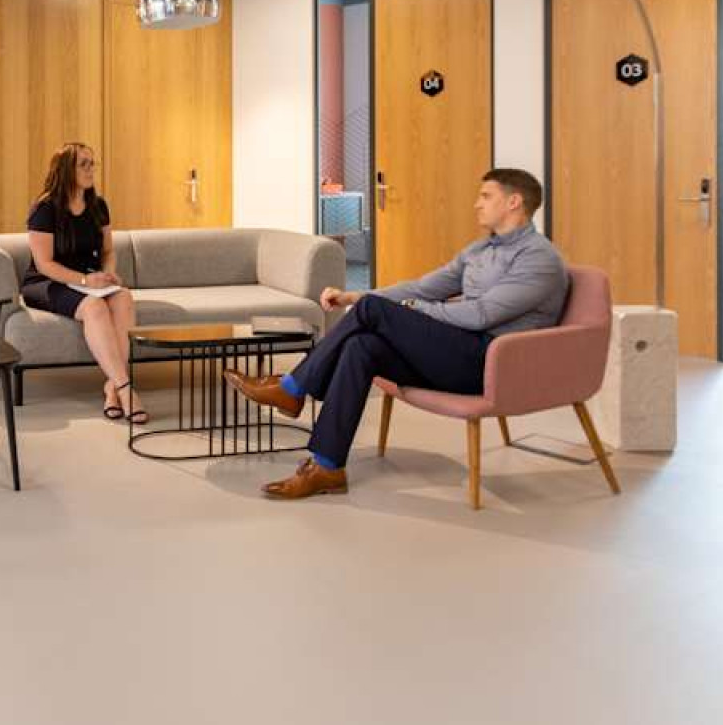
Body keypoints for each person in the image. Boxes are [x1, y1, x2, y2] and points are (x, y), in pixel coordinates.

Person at [227, 168, 567, 499]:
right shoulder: (478, 251)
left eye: (486, 196)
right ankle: (327, 467)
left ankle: (292, 388)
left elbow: (482, 315)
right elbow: (422, 288)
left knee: (374, 311)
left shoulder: (539, 259)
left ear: (513, 202)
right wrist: (354, 297)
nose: (477, 204)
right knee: (362, 346)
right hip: (454, 351)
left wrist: (410, 309)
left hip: (489, 362)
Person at [21, 143, 146, 423]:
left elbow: (108, 251)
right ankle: (126, 390)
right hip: (47, 282)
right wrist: (85, 280)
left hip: (87, 280)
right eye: (84, 164)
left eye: (92, 163)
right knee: (94, 307)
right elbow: (44, 264)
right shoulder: (45, 209)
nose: (91, 169)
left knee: (123, 297)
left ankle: (112, 387)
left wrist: (108, 274)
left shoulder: (98, 206)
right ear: (67, 169)